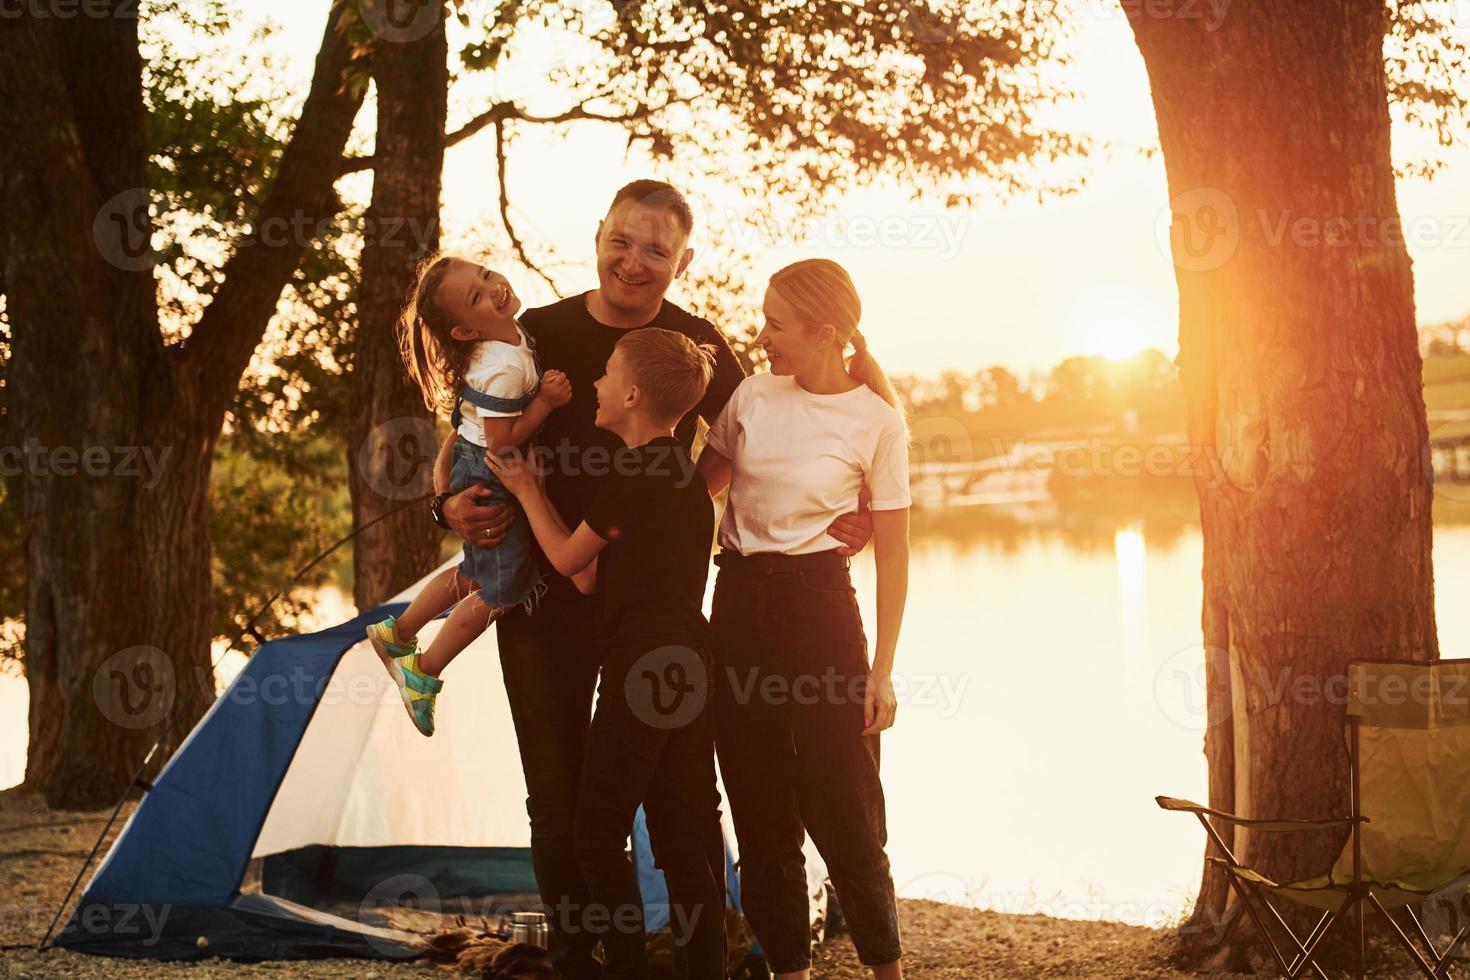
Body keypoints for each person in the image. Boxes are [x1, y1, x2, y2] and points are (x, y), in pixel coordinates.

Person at [433, 180, 872, 976]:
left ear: (682, 260)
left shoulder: (696, 343)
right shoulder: (535, 336)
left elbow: (784, 425)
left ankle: (685, 955)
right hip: (545, 604)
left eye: (656, 251)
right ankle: (581, 957)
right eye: (622, 242)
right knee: (557, 800)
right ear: (598, 234)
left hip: (645, 612)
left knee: (682, 800)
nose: (634, 263)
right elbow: (466, 431)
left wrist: (855, 504)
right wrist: (445, 506)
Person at [489, 328, 727, 980]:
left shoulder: (631, 470)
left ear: (630, 394)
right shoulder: (679, 474)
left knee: (595, 835)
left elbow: (569, 561)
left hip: (641, 666)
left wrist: (528, 491)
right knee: (682, 841)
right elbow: (595, 577)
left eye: (606, 374)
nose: (594, 384)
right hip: (690, 667)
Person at [697, 259, 910, 979]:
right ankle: (791, 971)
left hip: (820, 611)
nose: (761, 337)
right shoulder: (753, 396)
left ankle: (887, 969)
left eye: (776, 324)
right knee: (758, 810)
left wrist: (881, 671)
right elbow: (699, 494)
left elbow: (896, 554)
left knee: (845, 805)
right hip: (737, 608)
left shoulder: (877, 421)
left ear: (825, 334)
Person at [365, 255, 573, 737]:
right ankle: (424, 670)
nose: (493, 287)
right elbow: (502, 442)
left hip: (476, 463)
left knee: (475, 573)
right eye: (477, 297)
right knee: (501, 589)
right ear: (463, 332)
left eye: (485, 275)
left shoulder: (509, 336)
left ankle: (399, 630)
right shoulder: (499, 365)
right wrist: (545, 401)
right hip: (493, 471)